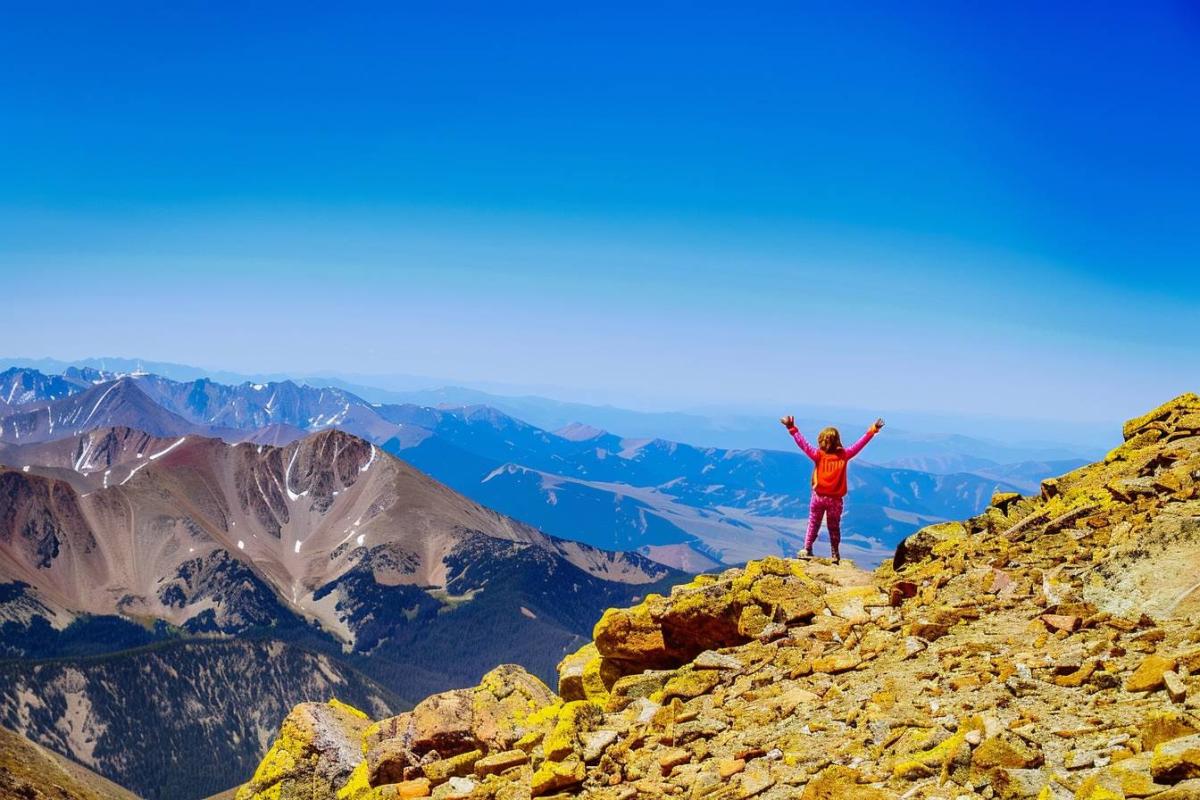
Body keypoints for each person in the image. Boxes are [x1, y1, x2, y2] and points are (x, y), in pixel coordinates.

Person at [779, 415, 884, 564]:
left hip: (818, 497)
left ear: (821, 440)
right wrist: (873, 430)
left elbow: (802, 444)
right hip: (835, 500)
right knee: (833, 526)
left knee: (813, 523)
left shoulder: (818, 455)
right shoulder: (844, 455)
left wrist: (791, 428)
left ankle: (807, 548)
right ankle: (835, 554)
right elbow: (860, 444)